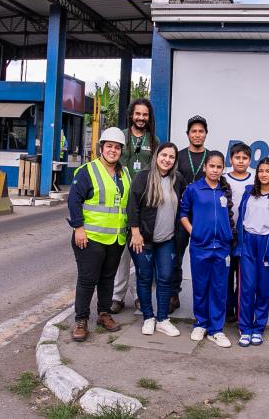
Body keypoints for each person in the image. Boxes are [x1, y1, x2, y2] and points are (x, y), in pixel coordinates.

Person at [66, 127, 131, 342]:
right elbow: (74, 201)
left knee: (108, 278)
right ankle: (81, 321)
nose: (113, 150)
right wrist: (78, 228)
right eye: (109, 146)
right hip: (90, 237)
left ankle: (104, 314)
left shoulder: (125, 173)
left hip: (116, 237)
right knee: (87, 279)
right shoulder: (88, 171)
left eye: (117, 147)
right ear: (101, 148)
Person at [126, 142, 184, 337]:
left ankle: (163, 319)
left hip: (167, 239)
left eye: (171, 157)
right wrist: (135, 233)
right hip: (142, 239)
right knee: (144, 277)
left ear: (175, 160)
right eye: (164, 155)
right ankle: (148, 317)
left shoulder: (178, 180)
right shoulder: (143, 177)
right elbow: (132, 206)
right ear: (156, 156)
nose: (167, 160)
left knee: (165, 278)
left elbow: (184, 207)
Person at [179, 150, 235, 348]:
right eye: (212, 166)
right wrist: (193, 232)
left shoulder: (224, 190)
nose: (215, 170)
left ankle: (216, 330)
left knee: (219, 289)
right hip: (200, 246)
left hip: (222, 247)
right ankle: (201, 324)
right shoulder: (193, 189)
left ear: (223, 169)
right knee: (201, 286)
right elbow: (183, 214)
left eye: (219, 167)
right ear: (204, 167)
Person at [111, 98, 161, 314]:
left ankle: (141, 295)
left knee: (142, 254)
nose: (141, 118)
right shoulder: (120, 136)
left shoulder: (154, 140)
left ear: (149, 117)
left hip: (144, 204)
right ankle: (117, 296)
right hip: (120, 201)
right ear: (131, 115)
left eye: (145, 114)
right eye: (138, 114)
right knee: (121, 254)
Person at [234, 157, 269, 347]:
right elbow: (241, 218)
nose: (264, 174)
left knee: (263, 289)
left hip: (267, 244)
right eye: (261, 171)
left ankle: (258, 328)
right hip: (248, 242)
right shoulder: (249, 192)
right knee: (247, 287)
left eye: (268, 171)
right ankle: (245, 328)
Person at [172, 115, 211, 311]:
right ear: (188, 134)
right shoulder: (178, 156)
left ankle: (205, 299)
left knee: (205, 259)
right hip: (180, 215)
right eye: (193, 131)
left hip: (203, 217)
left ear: (206, 134)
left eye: (201, 131)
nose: (197, 134)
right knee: (175, 257)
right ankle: (173, 294)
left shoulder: (211, 158)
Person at [224, 142, 255, 323]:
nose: (241, 161)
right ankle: (227, 309)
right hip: (227, 235)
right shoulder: (223, 179)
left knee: (243, 275)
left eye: (244, 158)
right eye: (237, 157)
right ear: (231, 159)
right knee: (227, 274)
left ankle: (240, 309)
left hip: (246, 236)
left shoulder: (255, 180)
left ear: (250, 160)